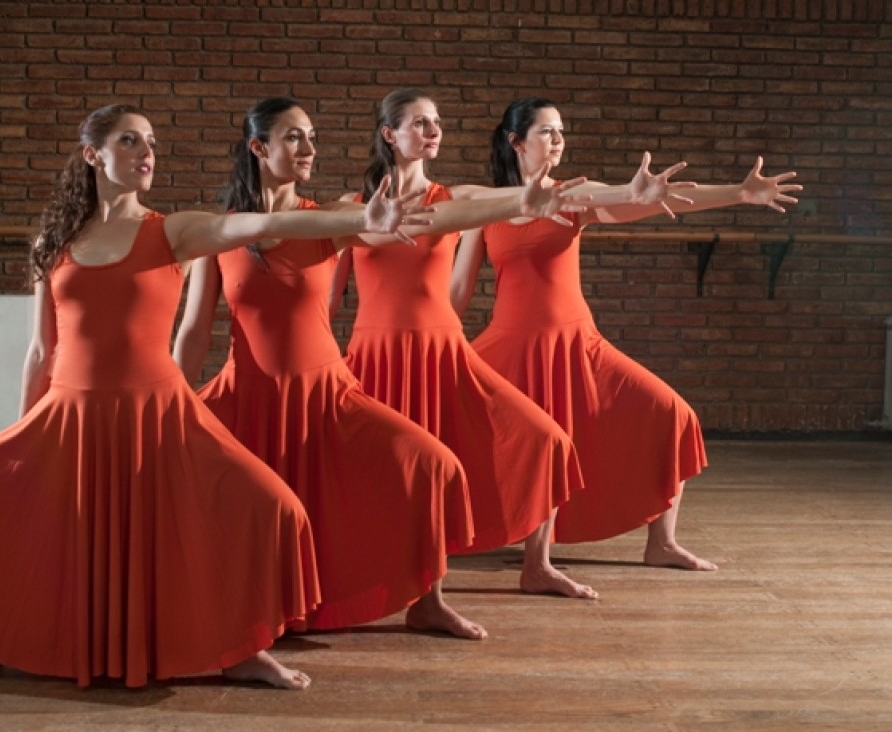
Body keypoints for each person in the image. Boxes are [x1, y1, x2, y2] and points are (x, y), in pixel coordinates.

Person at [0, 103, 431, 690]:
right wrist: (22, 435)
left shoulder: (172, 230)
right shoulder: (53, 243)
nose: (146, 151)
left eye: (151, 141)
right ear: (92, 155)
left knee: (274, 509)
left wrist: (360, 218)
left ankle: (242, 647)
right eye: (130, 141)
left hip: (159, 412)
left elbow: (252, 226)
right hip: (69, 413)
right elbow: (40, 351)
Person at [173, 98, 590, 638]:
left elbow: (449, 213)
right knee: (242, 507)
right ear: (259, 147)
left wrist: (518, 201)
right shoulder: (217, 234)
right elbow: (193, 331)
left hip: (325, 389)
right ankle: (249, 617)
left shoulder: (327, 220)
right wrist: (175, 402)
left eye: (312, 135)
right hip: (247, 392)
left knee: (433, 467)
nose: (310, 148)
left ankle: (427, 600)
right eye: (294, 137)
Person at [332, 88, 689, 599]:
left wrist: (632, 195)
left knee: (541, 443)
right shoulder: (350, 209)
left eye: (437, 123)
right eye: (420, 123)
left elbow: (528, 200)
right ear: (389, 134)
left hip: (445, 349)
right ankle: (369, 573)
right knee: (383, 469)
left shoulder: (455, 199)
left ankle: (529, 567)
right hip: (375, 353)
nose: (433, 131)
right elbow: (324, 291)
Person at [451, 96, 802, 570]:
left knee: (670, 414)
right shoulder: (489, 207)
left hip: (578, 344)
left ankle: (662, 543)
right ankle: (464, 539)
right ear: (516, 142)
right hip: (509, 346)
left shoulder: (574, 194)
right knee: (469, 434)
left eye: (561, 131)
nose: (558, 140)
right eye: (547, 132)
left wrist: (738, 193)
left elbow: (645, 198)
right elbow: (457, 290)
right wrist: (439, 345)